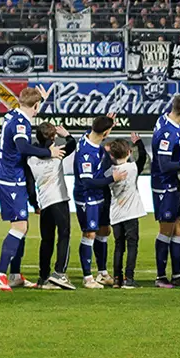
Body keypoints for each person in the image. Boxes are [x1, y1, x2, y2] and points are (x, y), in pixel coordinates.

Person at [0, 87, 67, 292]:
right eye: (38, 107)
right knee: (19, 227)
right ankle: (0, 275)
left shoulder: (14, 114)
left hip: (13, 178)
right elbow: (23, 148)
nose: (37, 111)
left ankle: (15, 275)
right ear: (34, 106)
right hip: (11, 180)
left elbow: (29, 107)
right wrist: (49, 152)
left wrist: (40, 99)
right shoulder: (20, 123)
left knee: (23, 227)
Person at [150, 89, 180, 290]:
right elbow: (163, 165)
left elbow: (178, 107)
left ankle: (177, 274)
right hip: (164, 185)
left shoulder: (166, 119)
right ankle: (161, 276)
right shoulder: (168, 133)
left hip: (174, 184)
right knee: (166, 229)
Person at [27, 123, 75, 290]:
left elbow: (30, 186)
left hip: (45, 203)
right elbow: (73, 145)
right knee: (64, 235)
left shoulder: (31, 158)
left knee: (46, 240)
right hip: (59, 200)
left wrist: (34, 204)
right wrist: (66, 134)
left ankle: (43, 276)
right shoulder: (58, 154)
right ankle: (60, 273)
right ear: (53, 137)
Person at [73, 116, 116, 288]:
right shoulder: (86, 153)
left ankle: (102, 272)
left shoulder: (88, 136)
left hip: (101, 195)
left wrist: (106, 120)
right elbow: (87, 181)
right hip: (87, 196)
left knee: (104, 231)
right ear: (105, 133)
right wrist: (113, 178)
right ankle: (87, 277)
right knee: (89, 233)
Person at [107, 138, 144, 287]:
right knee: (132, 246)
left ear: (112, 156)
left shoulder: (109, 172)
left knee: (118, 246)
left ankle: (117, 278)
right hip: (131, 213)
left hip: (116, 214)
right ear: (129, 153)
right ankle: (129, 278)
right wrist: (139, 143)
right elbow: (144, 157)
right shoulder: (133, 168)